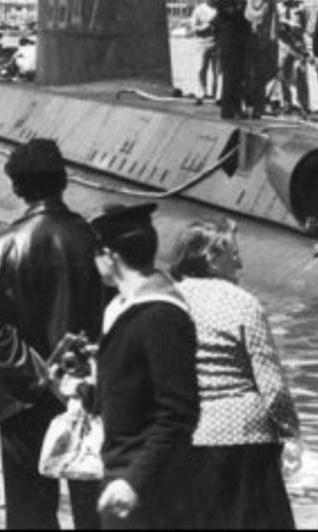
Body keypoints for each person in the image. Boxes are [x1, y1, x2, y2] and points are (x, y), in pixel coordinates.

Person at [0, 138, 104, 529]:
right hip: (88, 393)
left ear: (16, 187)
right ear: (64, 180)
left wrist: (41, 377)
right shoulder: (96, 242)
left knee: (29, 513)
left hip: (21, 398)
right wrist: (69, 379)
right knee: (95, 510)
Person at [168, 217, 300, 529]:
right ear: (211, 259)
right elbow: (271, 383)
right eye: (234, 254)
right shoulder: (243, 303)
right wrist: (291, 432)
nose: (240, 263)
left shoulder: (165, 301)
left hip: (188, 436)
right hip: (245, 437)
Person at [91, 203, 200, 529]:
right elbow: (131, 391)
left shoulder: (160, 316)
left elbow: (179, 412)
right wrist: (86, 394)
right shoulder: (124, 308)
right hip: (123, 473)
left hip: (148, 488)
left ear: (109, 256)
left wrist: (134, 481)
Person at [214, 0, 250, 119]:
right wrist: (242, 4)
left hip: (237, 44)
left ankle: (236, 108)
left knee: (237, 77)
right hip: (229, 43)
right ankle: (227, 111)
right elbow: (233, 13)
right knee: (230, 77)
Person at [244, 0, 278, 118]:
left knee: (261, 76)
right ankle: (247, 106)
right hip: (246, 41)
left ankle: (259, 107)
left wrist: (272, 38)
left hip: (262, 42)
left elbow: (273, 19)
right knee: (247, 76)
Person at [273, 0, 311, 116]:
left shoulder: (301, 7)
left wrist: (299, 34)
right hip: (283, 44)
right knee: (282, 74)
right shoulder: (277, 7)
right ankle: (286, 103)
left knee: (301, 74)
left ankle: (303, 105)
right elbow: (275, 24)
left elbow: (306, 25)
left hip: (298, 44)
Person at [190, 0, 218, 106]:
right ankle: (201, 93)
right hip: (202, 42)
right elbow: (194, 28)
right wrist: (206, 26)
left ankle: (217, 94)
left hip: (216, 42)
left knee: (217, 71)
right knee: (201, 69)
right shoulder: (198, 10)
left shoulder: (218, 9)